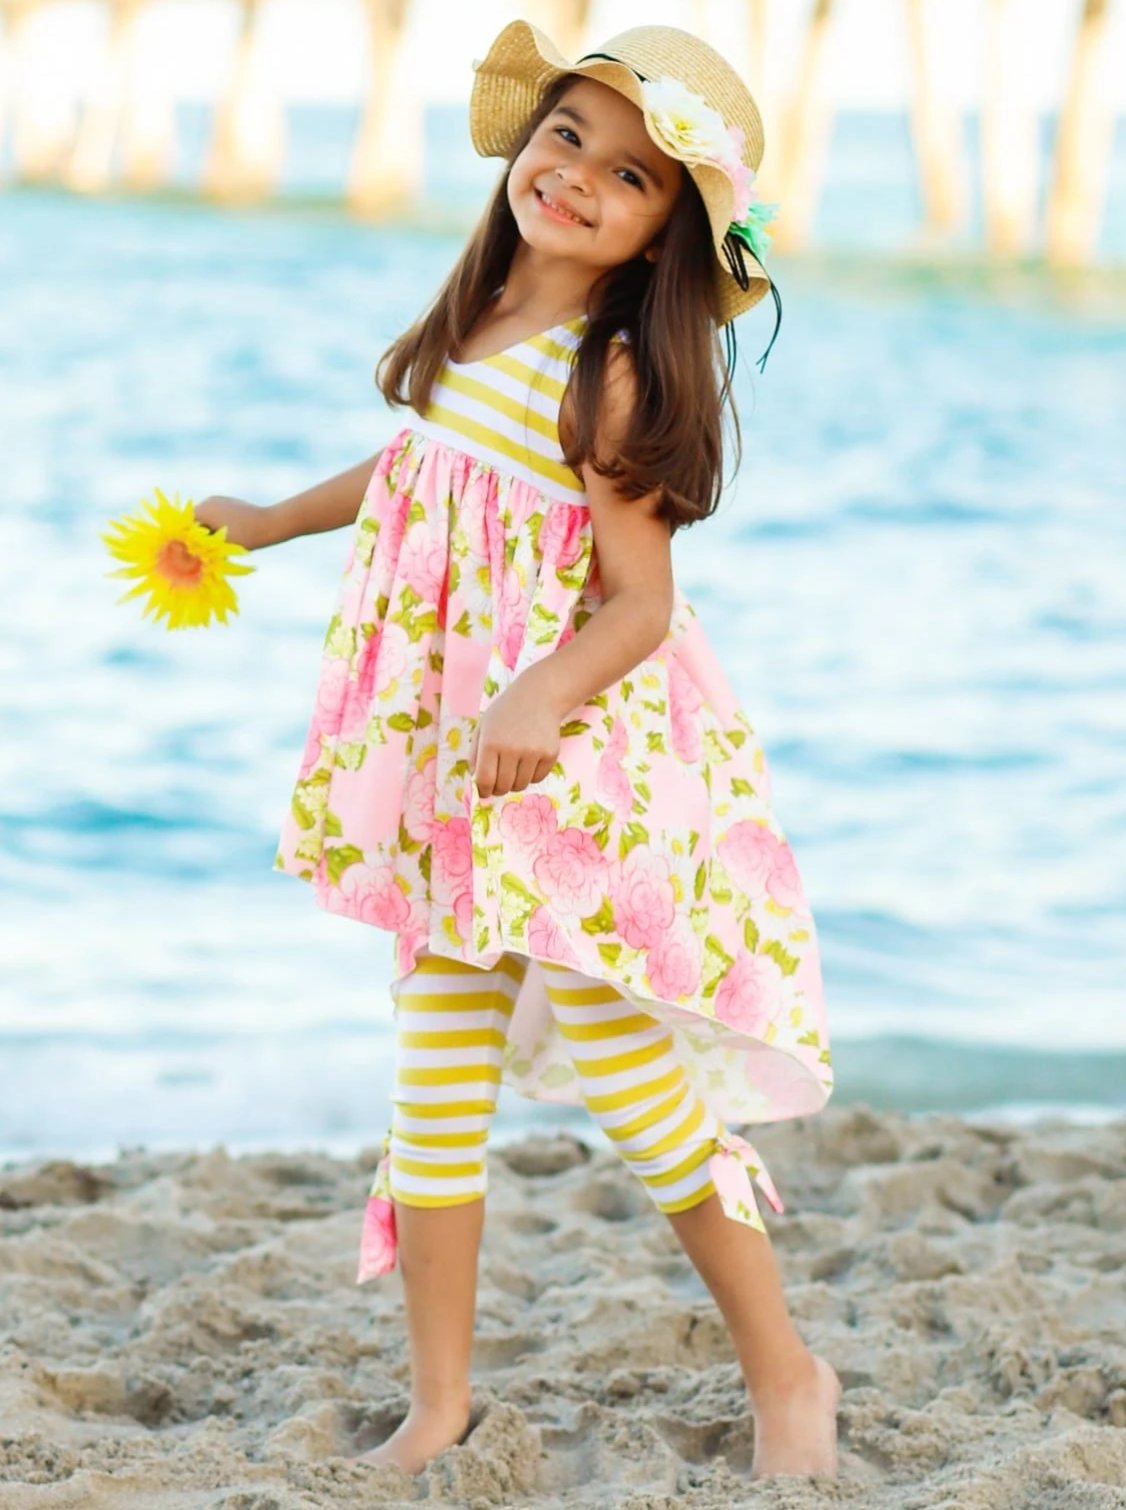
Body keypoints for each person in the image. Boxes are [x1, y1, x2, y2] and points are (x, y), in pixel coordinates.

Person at [196, 18, 839, 1484]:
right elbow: (420, 465)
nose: (578, 179)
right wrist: (275, 519)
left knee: (632, 1082)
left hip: (560, 787)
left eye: (628, 176)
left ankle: (787, 1369)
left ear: (661, 233)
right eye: (567, 138)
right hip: (449, 779)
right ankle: (439, 1404)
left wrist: (537, 695)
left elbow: (641, 601)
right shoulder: (475, 319)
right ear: (522, 140)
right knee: (430, 1088)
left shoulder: (606, 374)